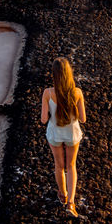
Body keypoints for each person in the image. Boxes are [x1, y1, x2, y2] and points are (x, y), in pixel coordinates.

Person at [40, 57, 85, 215]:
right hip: (72, 133)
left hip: (55, 133)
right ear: (69, 73)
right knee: (71, 166)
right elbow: (83, 118)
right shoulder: (77, 92)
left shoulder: (48, 93)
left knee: (59, 165)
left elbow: (44, 119)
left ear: (54, 74)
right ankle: (71, 203)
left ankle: (63, 195)